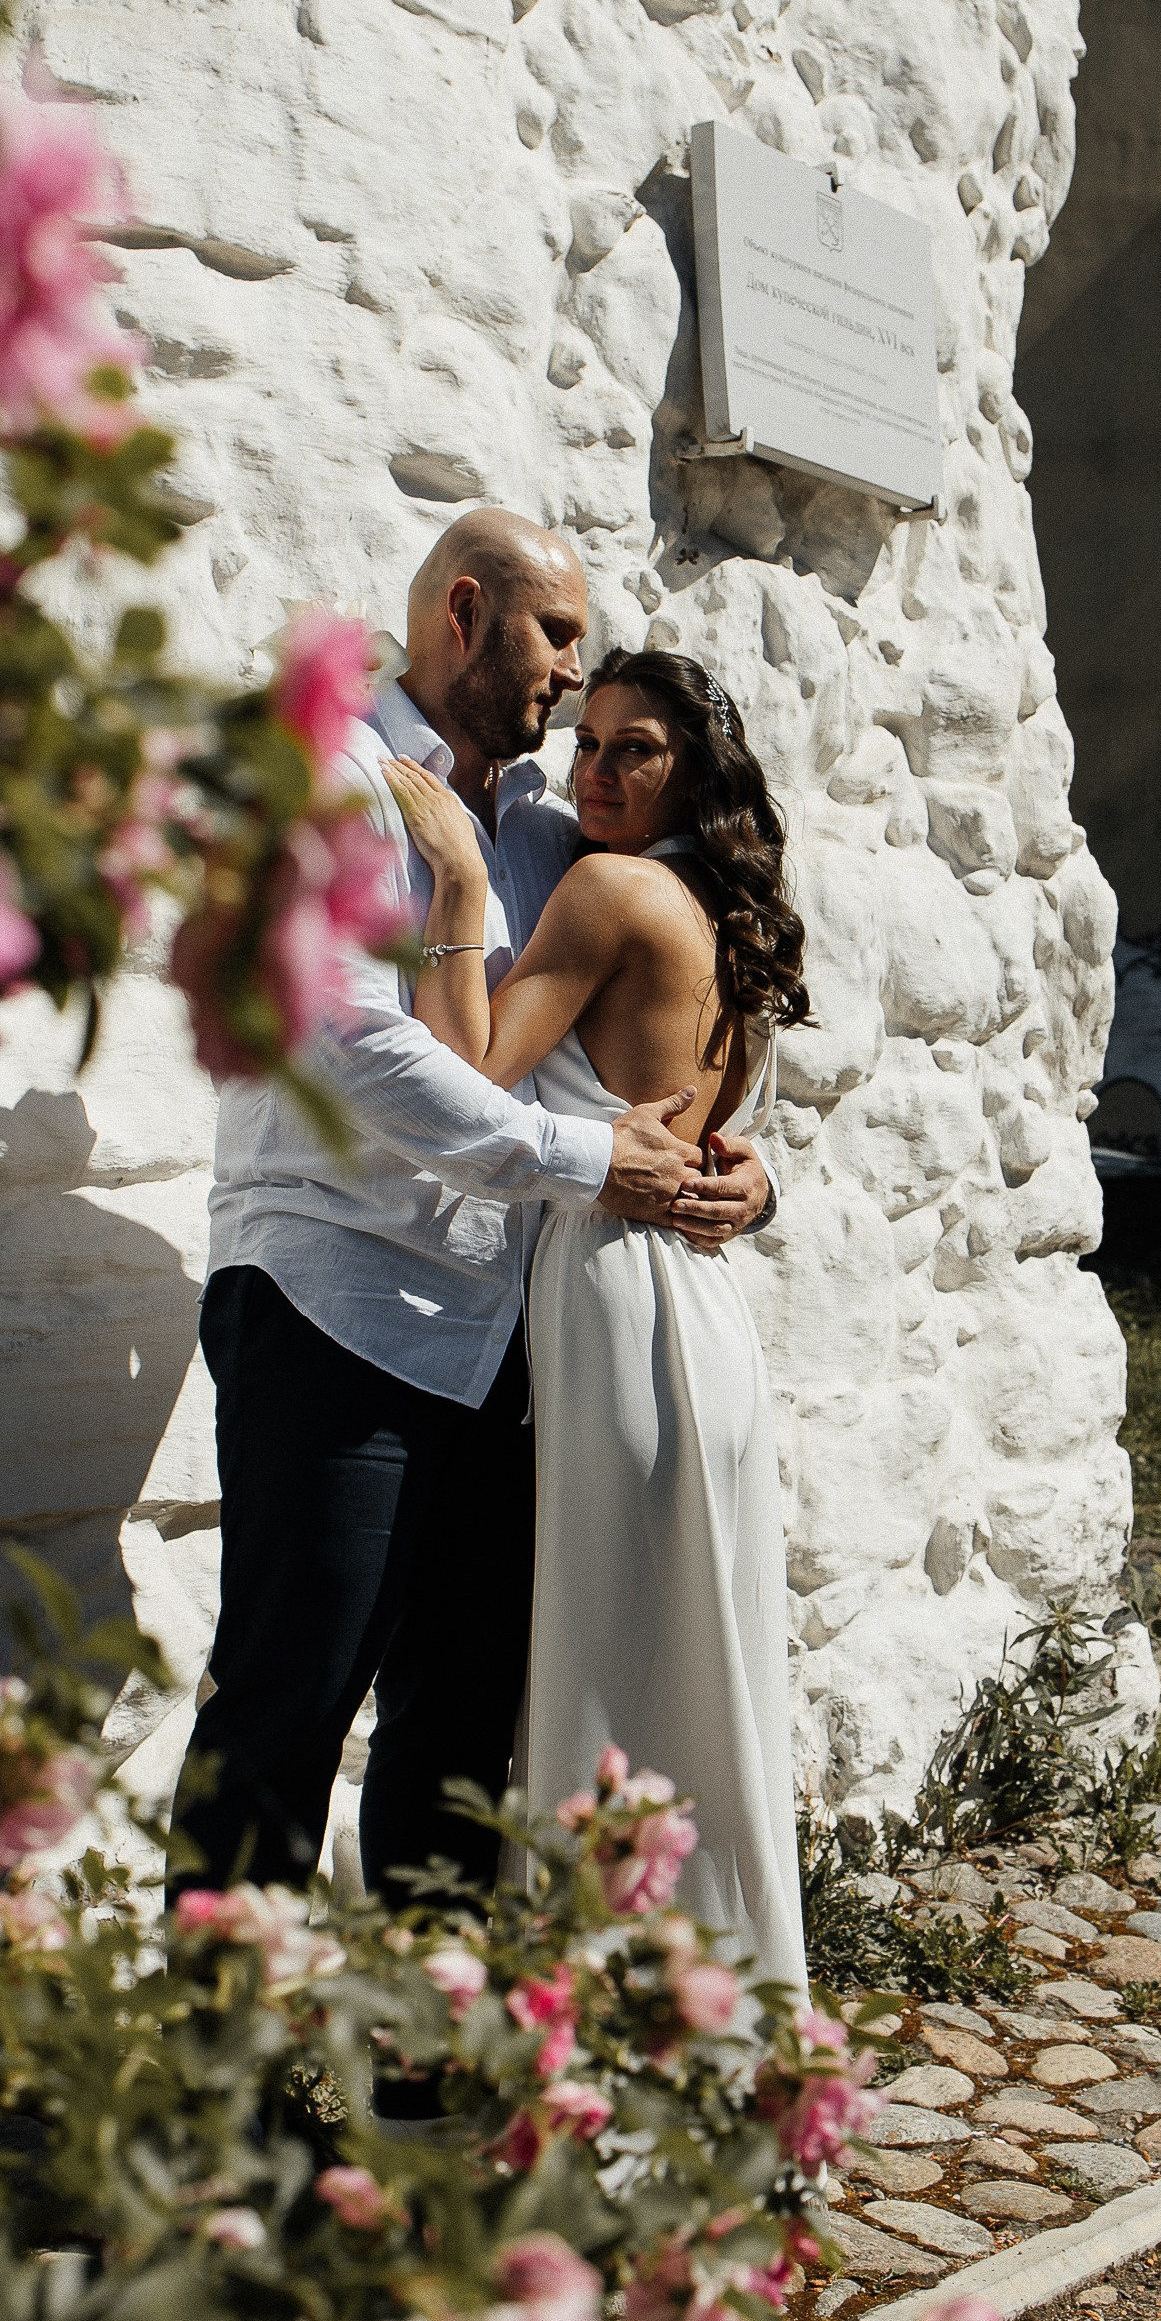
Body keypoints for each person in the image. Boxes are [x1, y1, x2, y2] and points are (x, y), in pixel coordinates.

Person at [187, 514, 777, 1918]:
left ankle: (429, 2037)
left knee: (458, 1739)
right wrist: (584, 1160)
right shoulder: (327, 779)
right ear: (465, 613)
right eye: (556, 634)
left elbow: (650, 1038)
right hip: (338, 1311)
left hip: (511, 1349)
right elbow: (345, 1038)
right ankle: (224, 2053)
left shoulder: (551, 829)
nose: (573, 672)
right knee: (285, 1712)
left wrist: (744, 1172)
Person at [386, 649, 812, 1989]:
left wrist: (460, 888)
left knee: (610, 1670)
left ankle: (605, 2017)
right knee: (702, 1670)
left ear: (697, 772)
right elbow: (731, 1138)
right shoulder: (732, 916)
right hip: (708, 1312)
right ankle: (719, 2002)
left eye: (636, 749)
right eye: (588, 743)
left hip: (616, 1297)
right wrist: (758, 1185)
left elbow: (468, 1076)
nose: (596, 772)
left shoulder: (610, 891)